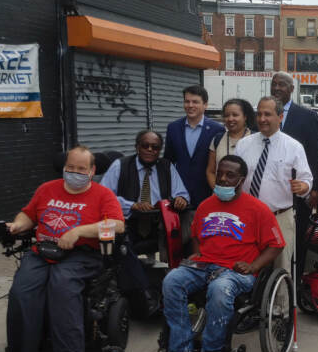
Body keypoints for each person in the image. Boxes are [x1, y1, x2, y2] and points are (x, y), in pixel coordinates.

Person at [153, 155, 284, 352]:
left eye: (229, 175)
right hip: (204, 264)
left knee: (220, 289)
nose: (222, 179)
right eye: (220, 173)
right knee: (171, 281)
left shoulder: (258, 209)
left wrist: (253, 266)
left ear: (241, 180)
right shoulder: (206, 205)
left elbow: (275, 245)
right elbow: (196, 235)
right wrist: (197, 253)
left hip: (237, 272)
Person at [5, 146, 125, 352]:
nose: (75, 172)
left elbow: (117, 225)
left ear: (92, 171)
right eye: (70, 167)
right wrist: (18, 225)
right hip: (43, 251)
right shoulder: (47, 189)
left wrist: (79, 231)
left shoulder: (103, 195)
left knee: (62, 285)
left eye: (81, 169)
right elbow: (29, 214)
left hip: (81, 254)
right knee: (22, 290)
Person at [100, 130, 190, 316]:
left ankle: (179, 293)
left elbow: (182, 193)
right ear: (137, 147)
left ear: (160, 150)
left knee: (187, 238)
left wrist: (181, 199)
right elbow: (103, 196)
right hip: (129, 222)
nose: (150, 150)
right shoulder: (120, 165)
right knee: (121, 247)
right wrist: (132, 205)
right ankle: (145, 294)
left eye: (155, 147)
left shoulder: (167, 167)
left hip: (158, 223)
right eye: (145, 145)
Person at [235, 96, 313, 273]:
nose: (262, 119)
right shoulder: (243, 145)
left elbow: (307, 178)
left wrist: (303, 187)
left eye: (268, 114)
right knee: (246, 266)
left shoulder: (294, 147)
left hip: (279, 218)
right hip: (248, 218)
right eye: (259, 114)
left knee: (281, 268)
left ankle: (282, 302)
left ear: (280, 117)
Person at [271, 72, 318, 278]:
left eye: (281, 85)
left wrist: (316, 189)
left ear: (292, 89)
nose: (276, 88)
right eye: (273, 84)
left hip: (298, 192)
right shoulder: (264, 114)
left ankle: (296, 282)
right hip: (271, 191)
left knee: (297, 240)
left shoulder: (307, 116)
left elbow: (316, 154)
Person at [164, 85, 225, 247]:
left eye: (195, 102)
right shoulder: (173, 128)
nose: (190, 106)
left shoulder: (217, 130)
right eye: (187, 101)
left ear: (205, 105)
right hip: (179, 200)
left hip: (206, 196)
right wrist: (174, 192)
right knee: (179, 244)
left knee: (204, 244)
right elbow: (168, 163)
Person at [206, 99, 255, 190]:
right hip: (221, 197)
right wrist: (218, 191)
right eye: (227, 115)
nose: (230, 119)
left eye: (235, 115)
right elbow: (211, 171)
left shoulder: (256, 139)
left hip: (248, 197)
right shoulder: (217, 139)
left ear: (245, 117)